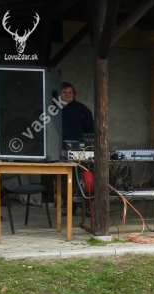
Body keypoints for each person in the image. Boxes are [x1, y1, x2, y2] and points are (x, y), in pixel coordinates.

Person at [60, 82, 94, 217]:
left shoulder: (82, 110)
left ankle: (85, 205)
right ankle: (67, 205)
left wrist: (88, 147)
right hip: (58, 150)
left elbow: (90, 130)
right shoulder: (51, 109)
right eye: (64, 92)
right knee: (63, 179)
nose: (67, 94)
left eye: (70, 92)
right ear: (59, 94)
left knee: (84, 177)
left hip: (80, 151)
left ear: (74, 94)